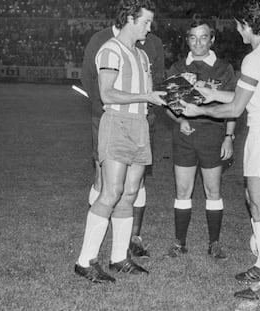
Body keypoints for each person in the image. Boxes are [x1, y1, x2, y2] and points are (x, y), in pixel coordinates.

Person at [182, 0, 260, 300]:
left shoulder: (256, 56)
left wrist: (197, 111)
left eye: (238, 24)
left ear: (248, 25)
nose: (236, 29)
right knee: (255, 201)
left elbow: (235, 107)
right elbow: (246, 91)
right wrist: (211, 93)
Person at [74, 0, 166, 283]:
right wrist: (145, 98)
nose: (149, 29)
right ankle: (84, 261)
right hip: (117, 125)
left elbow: (150, 92)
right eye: (145, 22)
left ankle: (119, 258)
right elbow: (107, 94)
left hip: (139, 125)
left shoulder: (141, 55)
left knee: (129, 193)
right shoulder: (111, 50)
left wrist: (174, 92)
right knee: (111, 193)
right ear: (129, 18)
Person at [164, 18, 237, 260]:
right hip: (184, 137)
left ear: (212, 39)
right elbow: (168, 106)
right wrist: (180, 120)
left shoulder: (224, 68)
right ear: (187, 40)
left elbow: (235, 106)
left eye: (203, 37)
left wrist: (229, 136)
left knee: (212, 190)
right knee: (183, 190)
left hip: (213, 135)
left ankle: (214, 243)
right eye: (193, 37)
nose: (198, 42)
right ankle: (179, 243)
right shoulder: (176, 68)